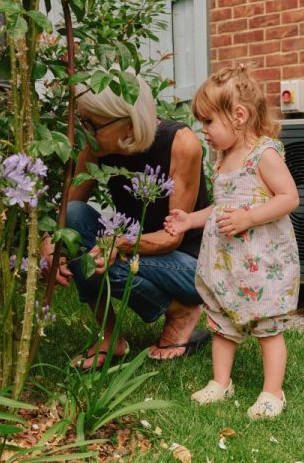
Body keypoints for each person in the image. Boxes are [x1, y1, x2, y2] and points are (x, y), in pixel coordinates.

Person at [164, 64, 301, 419]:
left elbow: (289, 197)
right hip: (228, 264)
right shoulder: (222, 159)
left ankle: (273, 391)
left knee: (267, 328)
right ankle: (221, 382)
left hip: (262, 264)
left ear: (238, 116)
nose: (203, 131)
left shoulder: (263, 155)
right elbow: (219, 207)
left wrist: (249, 217)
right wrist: (190, 219)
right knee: (222, 323)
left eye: (208, 122)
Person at [52, 76, 210, 368]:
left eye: (93, 126)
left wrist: (119, 243)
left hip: (189, 265)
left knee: (95, 257)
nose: (85, 134)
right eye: (82, 122)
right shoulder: (97, 146)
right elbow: (69, 210)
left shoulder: (181, 144)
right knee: (75, 219)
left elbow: (172, 236)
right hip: (135, 251)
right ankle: (109, 337)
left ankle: (181, 310)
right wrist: (53, 244)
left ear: (129, 124)